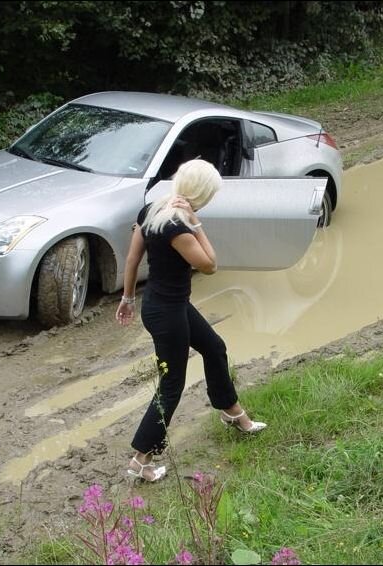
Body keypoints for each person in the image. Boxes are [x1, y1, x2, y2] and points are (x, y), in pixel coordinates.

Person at [116, 159, 266, 482]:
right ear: (202, 193)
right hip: (168, 313)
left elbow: (132, 258)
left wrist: (128, 298)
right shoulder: (178, 227)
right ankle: (141, 458)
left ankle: (231, 411)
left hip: (166, 305)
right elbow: (210, 265)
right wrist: (197, 223)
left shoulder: (153, 210)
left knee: (214, 347)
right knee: (172, 385)